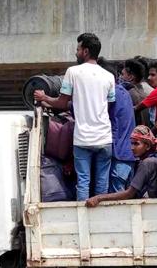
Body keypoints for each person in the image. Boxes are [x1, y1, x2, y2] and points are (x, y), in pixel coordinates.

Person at [35, 33, 116, 200]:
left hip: (83, 138)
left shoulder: (73, 72)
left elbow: (62, 103)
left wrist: (44, 98)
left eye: (78, 49)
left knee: (84, 181)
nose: (76, 52)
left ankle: (83, 222)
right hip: (105, 137)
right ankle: (101, 220)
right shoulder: (109, 76)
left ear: (85, 51)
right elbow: (108, 106)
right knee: (102, 182)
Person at [86, 126, 157, 207]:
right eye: (131, 143)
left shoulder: (147, 163)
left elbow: (129, 193)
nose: (132, 148)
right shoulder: (156, 160)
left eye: (136, 144)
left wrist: (99, 198)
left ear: (147, 146)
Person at [99, 57, 137, 193]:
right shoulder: (124, 92)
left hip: (118, 155)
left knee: (117, 201)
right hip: (128, 155)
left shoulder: (111, 94)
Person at [121, 57, 153, 126]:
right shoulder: (145, 93)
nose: (121, 77)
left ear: (131, 77)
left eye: (123, 74)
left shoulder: (128, 94)